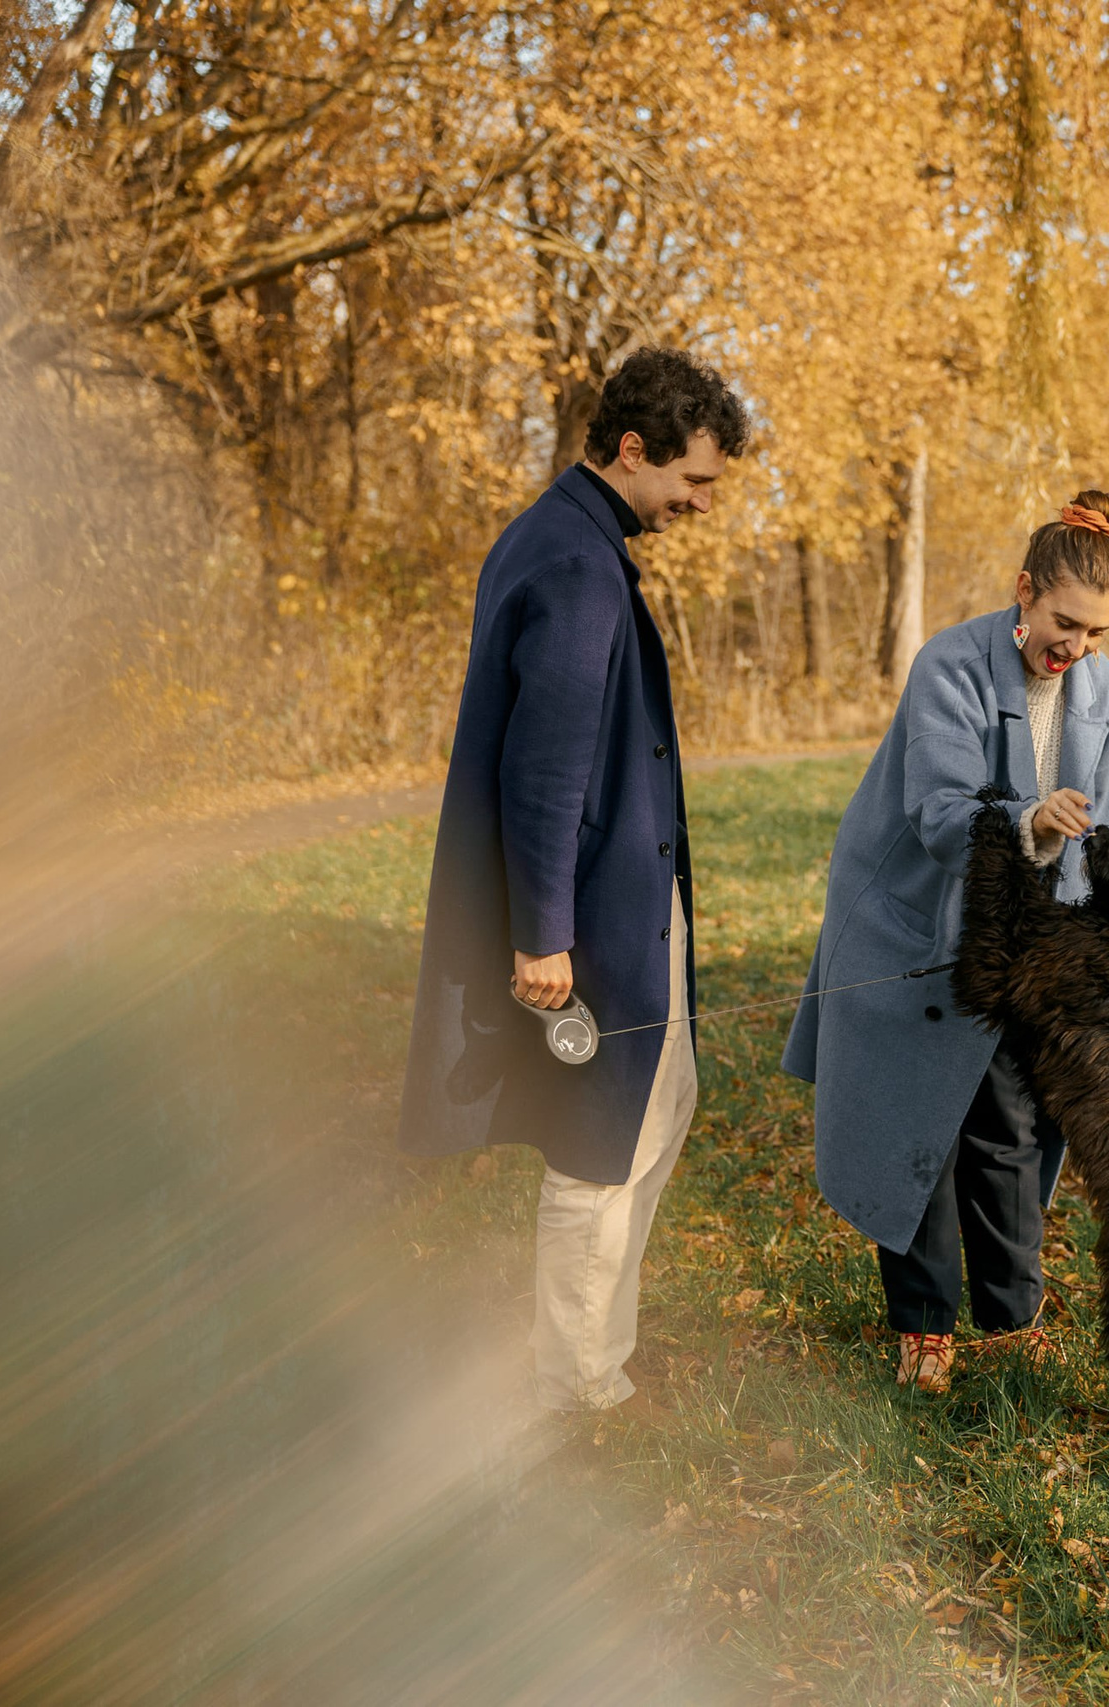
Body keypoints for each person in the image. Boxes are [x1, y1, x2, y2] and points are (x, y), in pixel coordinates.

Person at [399, 347, 749, 1413]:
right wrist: (543, 933)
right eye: (693, 481)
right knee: (604, 1141)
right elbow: (543, 772)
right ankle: (576, 1381)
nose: (700, 503)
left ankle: (598, 1362)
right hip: (595, 914)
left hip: (625, 899)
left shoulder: (566, 536)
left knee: (658, 1107)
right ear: (633, 451)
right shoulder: (574, 566)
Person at [784, 491, 1109, 1393]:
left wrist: (1106, 935)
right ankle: (924, 1327)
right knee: (918, 1130)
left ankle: (1012, 1320)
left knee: (1011, 1123)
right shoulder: (950, 665)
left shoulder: (1098, 686)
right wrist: (1030, 820)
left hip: (1017, 946)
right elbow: (941, 815)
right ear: (1023, 591)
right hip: (911, 927)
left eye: (1096, 633)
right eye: (1064, 623)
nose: (1076, 648)